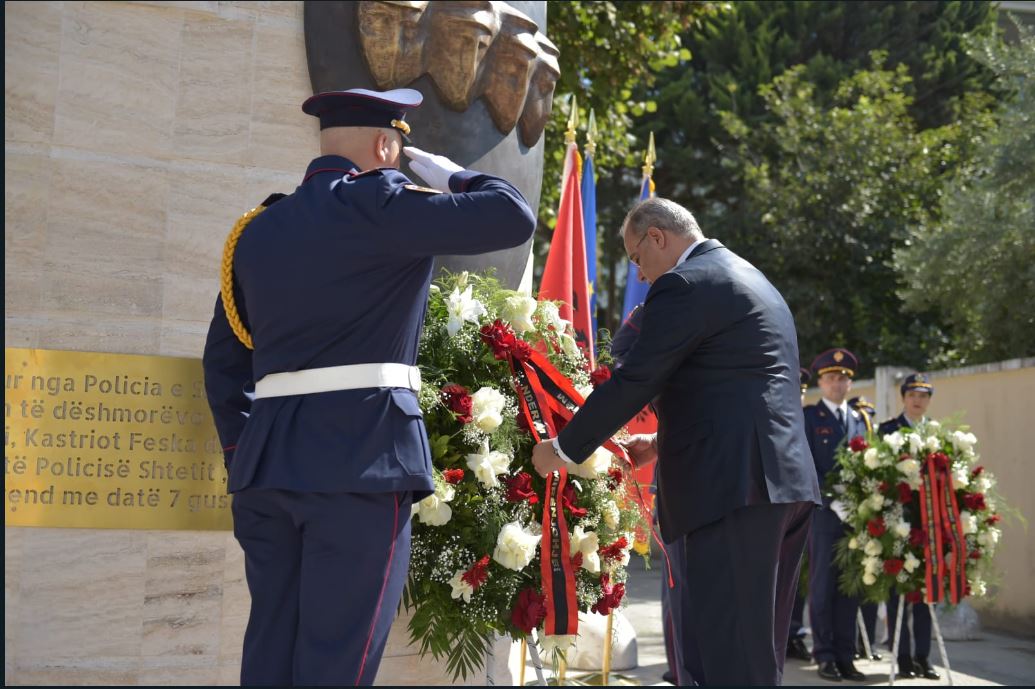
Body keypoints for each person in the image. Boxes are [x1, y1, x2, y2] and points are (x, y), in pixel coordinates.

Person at [202, 87, 536, 685]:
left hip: (267, 473)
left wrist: (242, 452)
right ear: (386, 144)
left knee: (270, 651)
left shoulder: (256, 230)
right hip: (362, 461)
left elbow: (223, 362)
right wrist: (457, 179)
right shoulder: (382, 203)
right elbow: (513, 214)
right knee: (338, 660)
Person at [531, 197, 821, 685]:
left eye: (637, 259)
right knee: (751, 651)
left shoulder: (685, 284)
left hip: (735, 492)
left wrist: (563, 448)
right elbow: (744, 387)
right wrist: (662, 441)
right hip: (778, 486)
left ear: (657, 237)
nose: (641, 276)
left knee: (731, 662)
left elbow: (636, 379)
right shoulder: (750, 277)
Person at [612, 304, 686, 686]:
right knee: (681, 592)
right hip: (682, 478)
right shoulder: (660, 305)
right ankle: (680, 669)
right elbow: (621, 354)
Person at [803, 348, 872, 682]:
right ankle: (825, 654)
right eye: (831, 378)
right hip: (825, 514)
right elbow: (805, 466)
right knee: (823, 586)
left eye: (843, 378)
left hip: (855, 516)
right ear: (821, 382)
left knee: (850, 586)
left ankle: (846, 654)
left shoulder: (860, 420)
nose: (838, 384)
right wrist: (831, 499)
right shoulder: (809, 418)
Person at [879, 373, 940, 681]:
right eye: (913, 394)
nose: (918, 400)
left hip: (929, 525)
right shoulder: (888, 431)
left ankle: (924, 658)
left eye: (924, 395)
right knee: (897, 593)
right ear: (903, 397)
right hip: (897, 524)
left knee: (925, 594)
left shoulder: (938, 436)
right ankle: (902, 657)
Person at [849, 395, 884, 663]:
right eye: (860, 415)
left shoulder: (879, 443)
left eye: (869, 414)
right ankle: (849, 643)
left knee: (871, 581)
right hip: (848, 517)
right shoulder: (848, 439)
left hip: (873, 517)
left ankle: (867, 642)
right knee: (850, 586)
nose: (866, 420)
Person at [786, 367, 814, 663]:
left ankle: (795, 634)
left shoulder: (808, 418)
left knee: (800, 579)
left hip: (806, 503)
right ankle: (787, 635)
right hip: (786, 505)